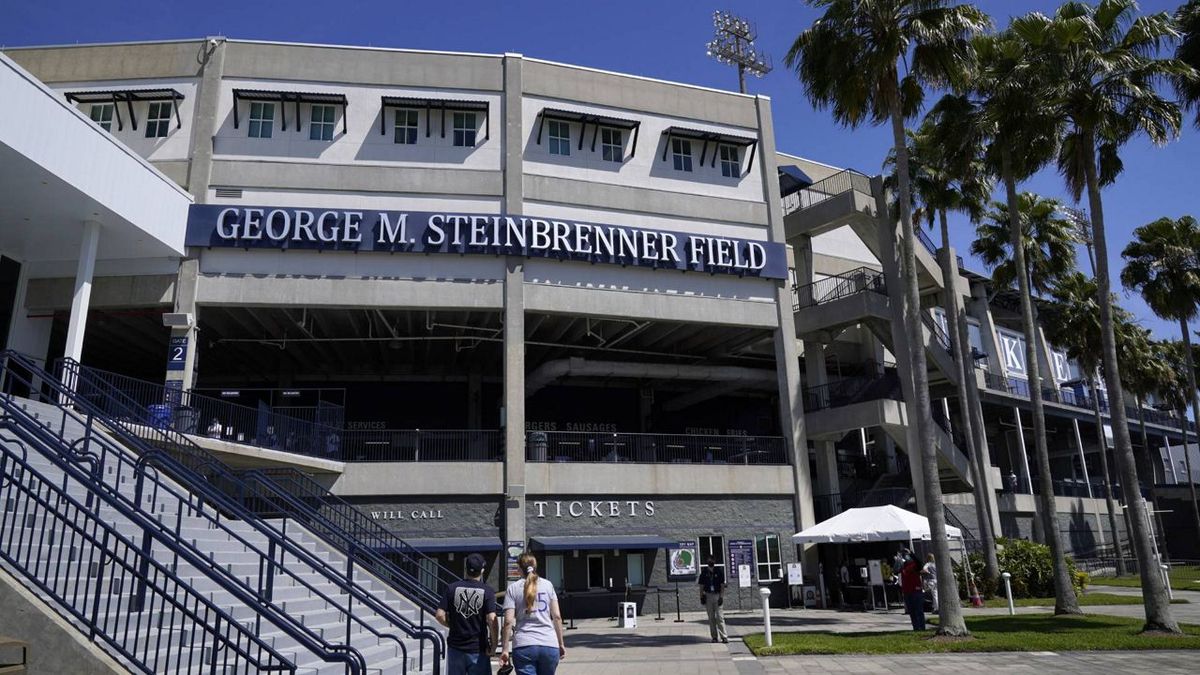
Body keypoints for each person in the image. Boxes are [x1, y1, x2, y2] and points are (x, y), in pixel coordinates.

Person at [501, 552, 566, 674]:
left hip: (523, 645)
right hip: (548, 643)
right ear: (535, 567)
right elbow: (557, 617)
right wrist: (560, 643)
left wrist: (505, 649)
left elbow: (508, 621)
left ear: (519, 569)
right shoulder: (548, 585)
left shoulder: (513, 588)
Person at [436, 553, 498, 675]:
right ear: (482, 570)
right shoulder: (487, 591)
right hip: (478, 648)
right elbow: (492, 619)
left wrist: (451, 625)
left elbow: (439, 615)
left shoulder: (451, 588)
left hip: (456, 647)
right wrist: (494, 645)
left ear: (466, 569)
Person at [697, 557, 728, 644]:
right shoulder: (704, 573)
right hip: (708, 596)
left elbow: (722, 585)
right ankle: (714, 637)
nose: (711, 562)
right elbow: (701, 586)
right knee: (711, 618)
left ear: (714, 562)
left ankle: (724, 636)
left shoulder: (719, 571)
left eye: (712, 560)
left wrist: (721, 597)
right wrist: (701, 597)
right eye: (709, 561)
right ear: (707, 562)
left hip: (717, 595)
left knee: (719, 617)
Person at [900, 551, 925, 631]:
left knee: (918, 610)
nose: (906, 557)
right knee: (912, 611)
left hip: (916, 590)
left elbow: (919, 562)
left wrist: (911, 553)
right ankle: (916, 627)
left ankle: (921, 627)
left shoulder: (915, 565)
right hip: (907, 591)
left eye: (906, 555)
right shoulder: (903, 566)